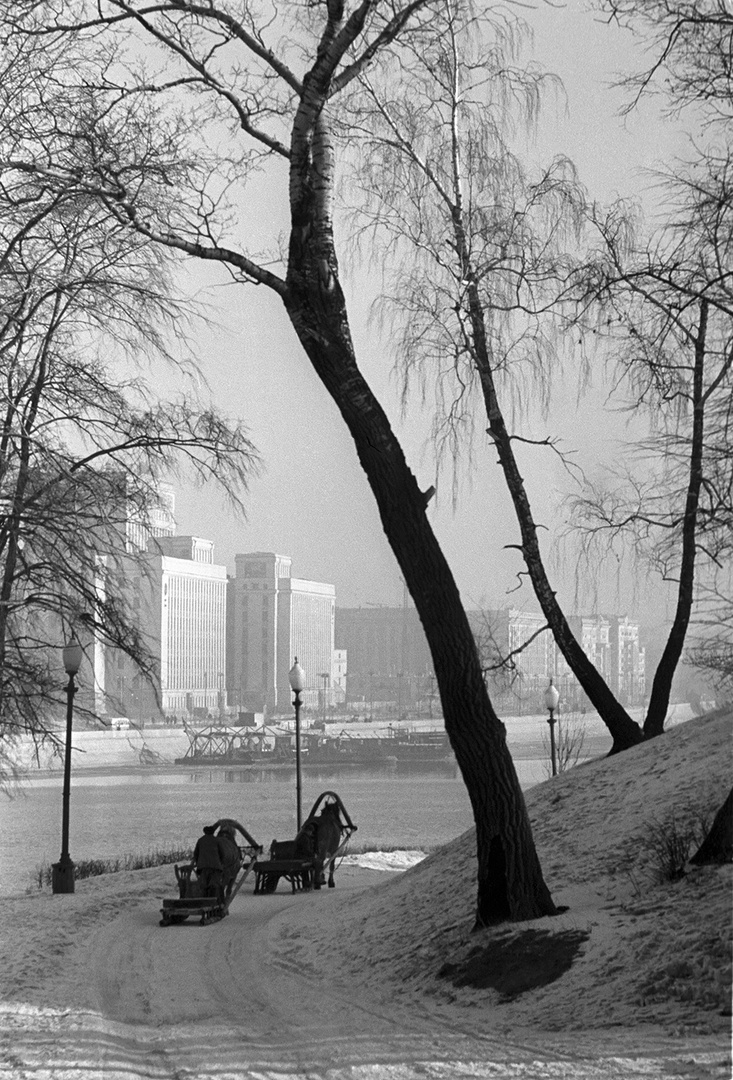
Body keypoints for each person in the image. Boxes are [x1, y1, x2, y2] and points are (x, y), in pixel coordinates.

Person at [192, 825, 226, 902]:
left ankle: (204, 900)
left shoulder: (200, 840)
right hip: (215, 867)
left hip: (203, 867)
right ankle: (214, 901)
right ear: (213, 832)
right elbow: (222, 854)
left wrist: (198, 864)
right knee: (214, 885)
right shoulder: (217, 840)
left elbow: (196, 854)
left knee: (204, 885)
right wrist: (221, 863)